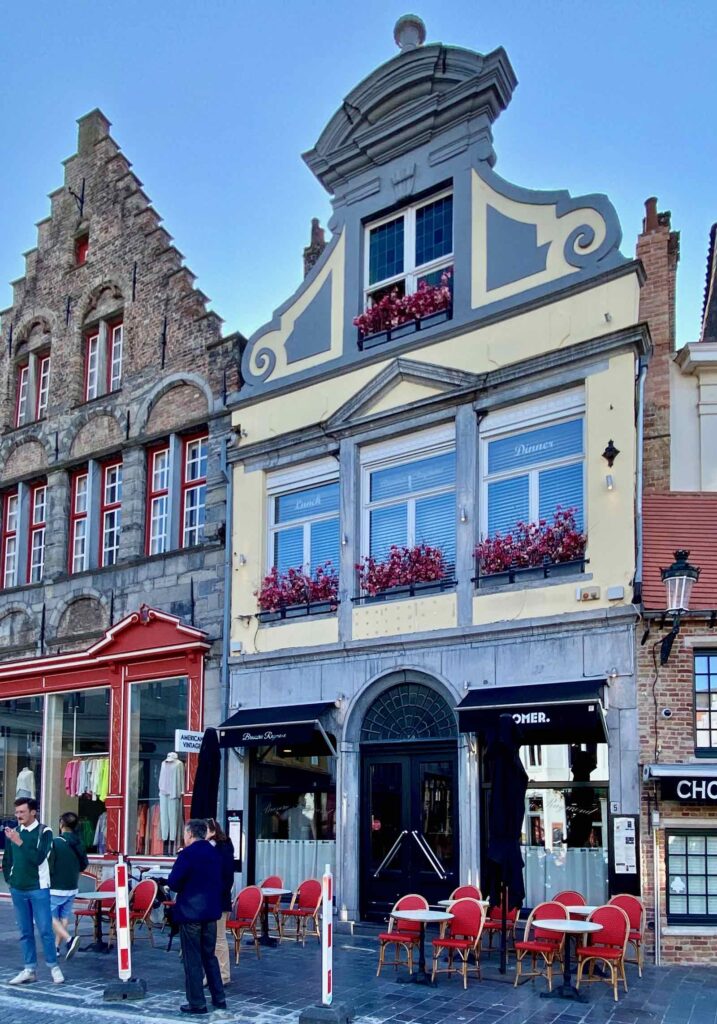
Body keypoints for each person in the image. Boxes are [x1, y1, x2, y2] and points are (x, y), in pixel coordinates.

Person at [2, 797, 64, 985]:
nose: (18, 815)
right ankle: (29, 969)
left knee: (45, 929)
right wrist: (10, 880)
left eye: (22, 812)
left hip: (38, 888)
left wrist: (19, 841)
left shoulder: (44, 832)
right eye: (17, 812)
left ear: (33, 812)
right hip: (18, 888)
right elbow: (8, 860)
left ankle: (54, 967)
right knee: (24, 930)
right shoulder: (14, 833)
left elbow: (38, 858)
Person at [168, 818, 226, 1015]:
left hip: (191, 912)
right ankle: (219, 997)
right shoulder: (215, 852)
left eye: (185, 833)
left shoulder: (187, 854)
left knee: (192, 959)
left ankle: (197, 1002)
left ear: (190, 834)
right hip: (210, 912)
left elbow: (174, 882)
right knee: (209, 956)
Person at [50, 812, 89, 959]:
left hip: (56, 886)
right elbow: (84, 864)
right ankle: (55, 947)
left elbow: (49, 864)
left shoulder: (56, 842)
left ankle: (69, 939)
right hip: (72, 886)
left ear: (61, 824)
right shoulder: (79, 843)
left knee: (48, 915)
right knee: (63, 917)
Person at [205, 817, 235, 987]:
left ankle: (223, 974)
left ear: (213, 831)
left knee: (219, 938)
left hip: (218, 900)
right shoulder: (213, 848)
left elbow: (226, 877)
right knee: (210, 939)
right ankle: (211, 974)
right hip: (210, 899)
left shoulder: (222, 850)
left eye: (206, 831)